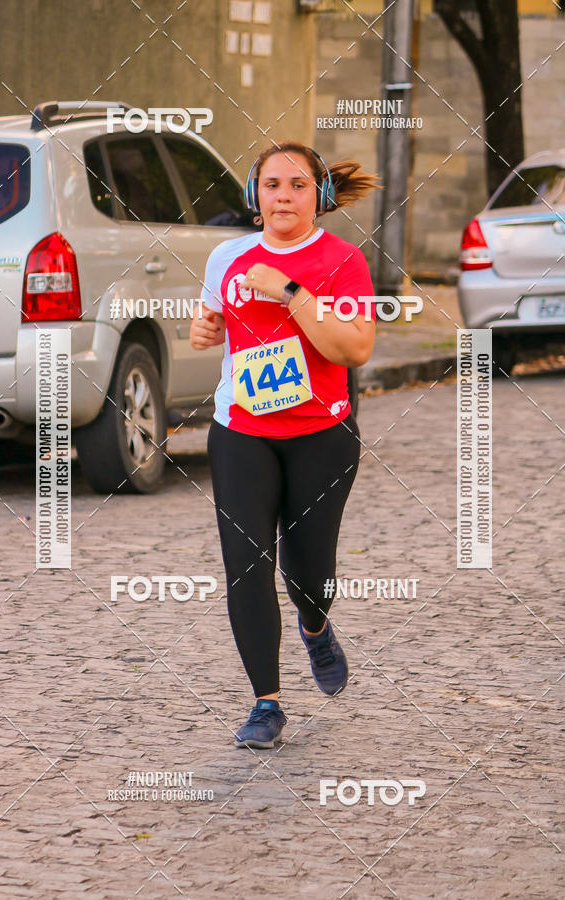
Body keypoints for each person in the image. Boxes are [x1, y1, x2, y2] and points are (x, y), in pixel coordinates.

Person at [189, 141, 378, 749]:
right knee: (247, 565)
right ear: (255, 196)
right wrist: (204, 327)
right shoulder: (228, 256)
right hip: (242, 431)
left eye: (297, 185)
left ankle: (316, 626)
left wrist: (290, 291)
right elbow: (210, 321)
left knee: (309, 569)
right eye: (272, 185)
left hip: (320, 436)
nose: (283, 197)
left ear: (317, 197)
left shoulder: (343, 260)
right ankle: (265, 703)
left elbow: (354, 350)